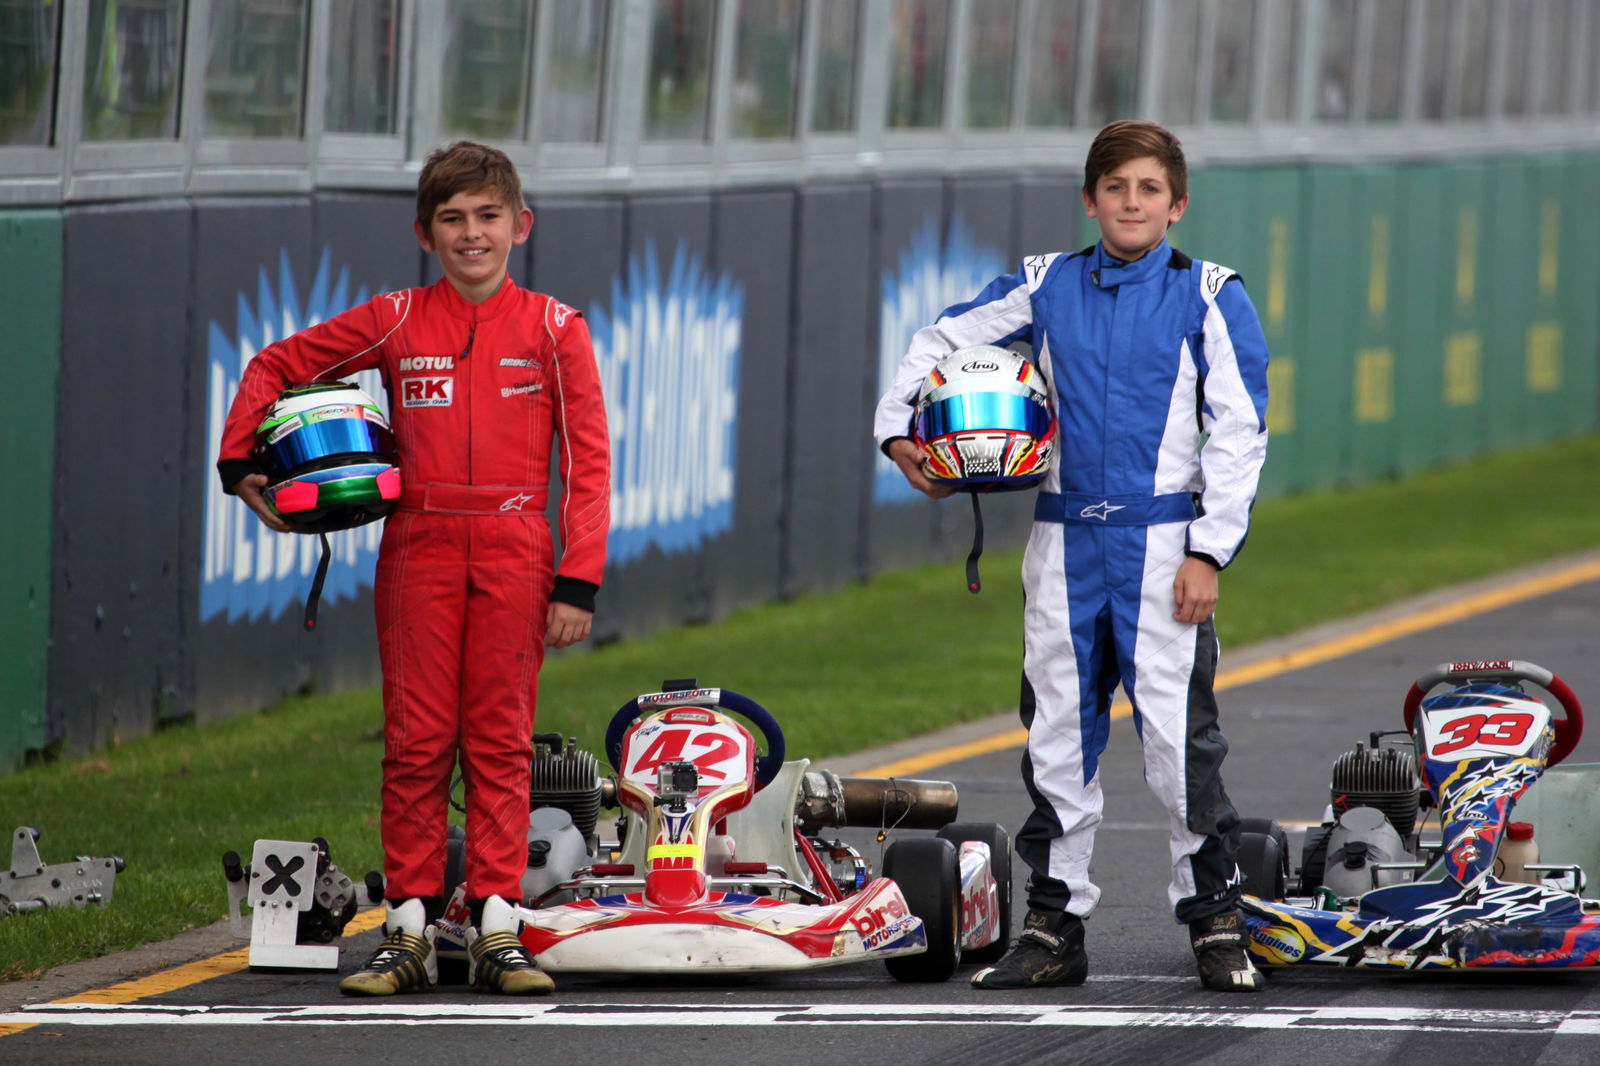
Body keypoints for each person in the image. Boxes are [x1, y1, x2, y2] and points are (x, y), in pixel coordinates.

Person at [874, 120, 1270, 992]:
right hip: (1060, 542)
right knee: (1057, 737)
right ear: (1090, 200)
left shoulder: (1210, 293)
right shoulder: (1044, 283)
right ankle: (1054, 927)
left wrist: (1208, 552)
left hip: (1164, 544)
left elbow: (1239, 434)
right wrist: (903, 438)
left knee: (1177, 744)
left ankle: (1215, 921)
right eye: (1116, 188)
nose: (1133, 203)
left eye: (1150, 190)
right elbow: (937, 341)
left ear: (1178, 204)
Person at [217, 141, 611, 997]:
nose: (473, 234)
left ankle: (500, 924)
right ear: (425, 233)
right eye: (453, 220)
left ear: (521, 226)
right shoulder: (396, 319)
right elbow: (275, 365)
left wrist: (577, 580)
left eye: (488, 217)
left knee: (500, 741)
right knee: (417, 742)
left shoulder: (555, 329)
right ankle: (409, 929)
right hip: (418, 547)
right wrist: (239, 457)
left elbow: (587, 463)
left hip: (516, 547)